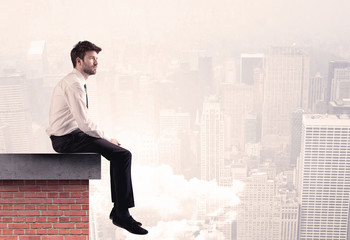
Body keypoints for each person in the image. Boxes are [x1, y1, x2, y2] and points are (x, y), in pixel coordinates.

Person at [46, 41, 148, 235]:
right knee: (122, 155)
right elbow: (84, 123)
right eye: (92, 58)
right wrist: (107, 138)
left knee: (119, 155)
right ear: (78, 61)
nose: (96, 62)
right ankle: (121, 213)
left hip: (72, 134)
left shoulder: (77, 81)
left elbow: (81, 123)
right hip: (66, 138)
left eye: (97, 58)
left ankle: (120, 211)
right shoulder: (74, 84)